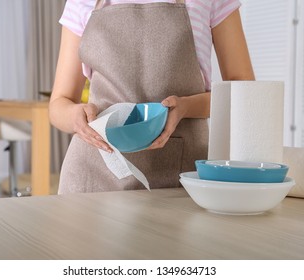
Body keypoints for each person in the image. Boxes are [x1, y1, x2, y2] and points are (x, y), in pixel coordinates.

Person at [50, 0, 255, 194]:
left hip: (179, 174)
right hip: (93, 174)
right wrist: (75, 116)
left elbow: (244, 94)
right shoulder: (81, 3)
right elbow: (59, 103)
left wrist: (186, 107)